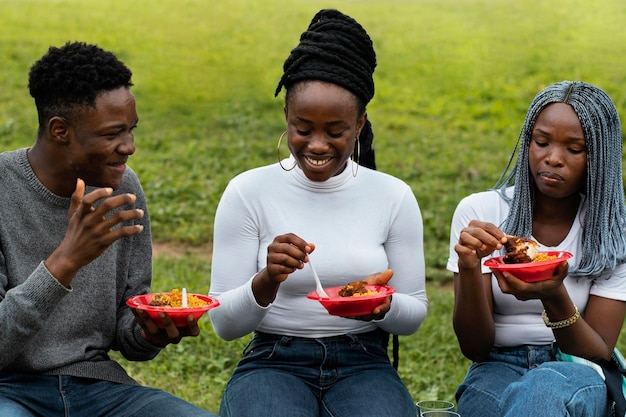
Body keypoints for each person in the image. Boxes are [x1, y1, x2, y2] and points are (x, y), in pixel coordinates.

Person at [208, 9, 427, 417]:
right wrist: (267, 279)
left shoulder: (393, 196)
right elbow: (224, 325)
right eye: (302, 128)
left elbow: (414, 314)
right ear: (286, 119)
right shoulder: (247, 192)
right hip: (274, 358)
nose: (318, 145)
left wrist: (382, 304)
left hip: (363, 359)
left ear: (359, 124)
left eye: (336, 130)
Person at [0, 41, 216, 416]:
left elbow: (126, 335)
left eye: (131, 130)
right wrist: (66, 260)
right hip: (9, 391)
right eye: (113, 134)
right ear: (60, 130)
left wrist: (151, 330)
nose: (129, 147)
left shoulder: (123, 188)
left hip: (98, 387)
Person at [447, 81, 626, 417]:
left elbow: (598, 351)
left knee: (541, 393)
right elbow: (475, 347)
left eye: (574, 149)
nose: (553, 159)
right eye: (541, 142)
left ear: (599, 156)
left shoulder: (613, 231)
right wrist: (470, 268)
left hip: (576, 368)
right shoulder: (481, 213)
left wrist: (553, 293)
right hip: (496, 365)